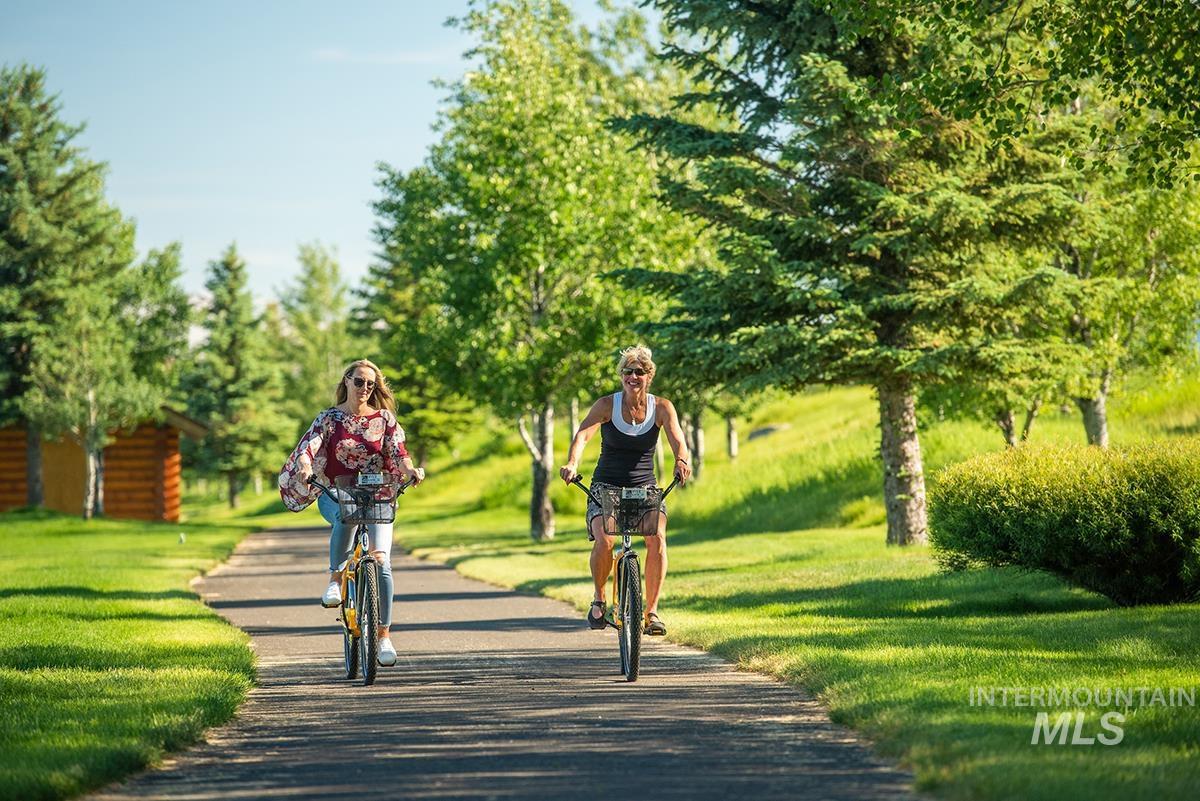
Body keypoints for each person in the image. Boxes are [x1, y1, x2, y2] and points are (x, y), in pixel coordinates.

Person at [279, 359, 425, 666]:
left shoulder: (385, 420)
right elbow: (310, 445)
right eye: (359, 382)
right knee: (346, 513)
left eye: (370, 384)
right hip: (335, 493)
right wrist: (305, 466)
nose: (364, 389)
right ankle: (335, 579)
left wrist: (411, 471)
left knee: (382, 562)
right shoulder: (329, 419)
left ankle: (383, 637)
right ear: (346, 381)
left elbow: (399, 454)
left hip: (377, 497)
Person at [559, 345, 692, 636]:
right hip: (606, 485)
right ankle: (599, 599)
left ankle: (652, 612)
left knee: (657, 538)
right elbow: (582, 435)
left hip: (644, 486)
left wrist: (681, 461)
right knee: (605, 539)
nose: (633, 376)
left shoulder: (662, 407)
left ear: (649, 376)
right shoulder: (607, 405)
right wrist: (571, 462)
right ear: (621, 376)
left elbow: (678, 439)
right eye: (628, 371)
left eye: (639, 372)